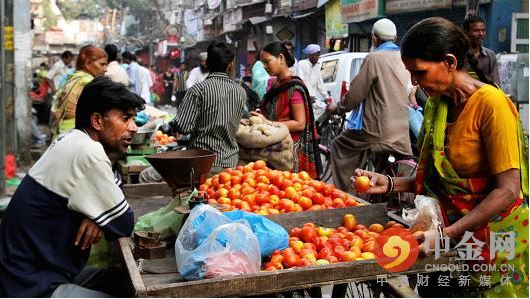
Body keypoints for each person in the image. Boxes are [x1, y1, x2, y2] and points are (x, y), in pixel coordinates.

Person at [353, 17, 528, 297]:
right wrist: (388, 183)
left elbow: (507, 190)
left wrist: (446, 235)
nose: (414, 82)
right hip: (454, 239)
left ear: (449, 62)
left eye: (419, 72)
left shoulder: (490, 105)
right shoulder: (438, 105)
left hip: (494, 243)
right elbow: (437, 179)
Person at [0, 76, 145, 297]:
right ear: (97, 121)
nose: (133, 128)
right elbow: (124, 223)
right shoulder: (87, 152)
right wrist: (102, 216)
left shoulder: (72, 138)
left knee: (119, 279)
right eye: (125, 118)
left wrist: (96, 215)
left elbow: (113, 191)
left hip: (39, 271)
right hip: (30, 285)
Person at [139, 41, 246, 182]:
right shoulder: (240, 91)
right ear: (231, 65)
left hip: (201, 163)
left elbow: (183, 127)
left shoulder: (198, 90)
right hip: (230, 162)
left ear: (207, 63)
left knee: (145, 177)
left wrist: (172, 125)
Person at [327, 18, 412, 194]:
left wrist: (338, 108)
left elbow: (355, 95)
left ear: (374, 38)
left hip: (376, 131)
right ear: (395, 38)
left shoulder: (374, 58)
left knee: (339, 145)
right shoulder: (404, 57)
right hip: (402, 130)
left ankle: (348, 195)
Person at [253, 41, 322, 179]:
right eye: (263, 64)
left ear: (281, 58)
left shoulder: (294, 88)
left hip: (289, 153)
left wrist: (268, 123)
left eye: (267, 62)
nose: (265, 67)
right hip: (276, 148)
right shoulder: (275, 84)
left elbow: (299, 123)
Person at [51, 45, 108, 138]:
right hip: (75, 134)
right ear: (88, 63)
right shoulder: (88, 82)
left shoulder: (74, 77)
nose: (105, 69)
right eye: (102, 64)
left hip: (62, 132)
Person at [463, 15, 500, 85]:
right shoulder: (458, 54)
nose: (481, 34)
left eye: (483, 30)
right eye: (476, 30)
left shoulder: (490, 55)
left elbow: (495, 82)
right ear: (466, 32)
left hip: (484, 94)